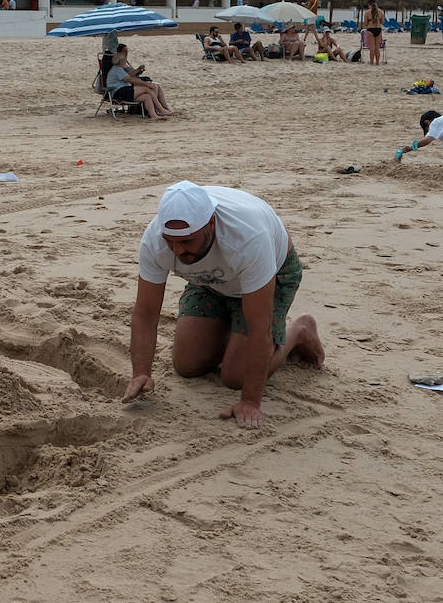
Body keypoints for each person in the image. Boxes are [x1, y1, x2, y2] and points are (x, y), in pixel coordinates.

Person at [122, 181, 324, 429]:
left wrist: (250, 401)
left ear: (211, 224)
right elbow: (145, 313)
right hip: (211, 280)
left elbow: (259, 326)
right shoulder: (155, 241)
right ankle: (231, 333)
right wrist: (141, 373)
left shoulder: (248, 238)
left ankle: (298, 331)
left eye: (186, 241)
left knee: (235, 376)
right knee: (187, 365)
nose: (177, 250)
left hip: (272, 274)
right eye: (170, 241)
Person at [103, 44, 171, 119]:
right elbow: (130, 79)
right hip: (119, 92)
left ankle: (153, 115)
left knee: (147, 97)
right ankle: (161, 110)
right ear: (120, 61)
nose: (125, 60)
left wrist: (138, 70)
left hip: (124, 91)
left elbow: (129, 76)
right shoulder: (117, 69)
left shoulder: (119, 69)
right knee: (147, 89)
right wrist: (147, 84)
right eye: (123, 60)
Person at [363, 0, 385, 66]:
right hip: (378, 29)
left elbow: (365, 23)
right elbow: (382, 22)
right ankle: (377, 63)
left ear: (369, 5)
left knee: (372, 48)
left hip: (370, 30)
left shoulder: (367, 12)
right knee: (377, 48)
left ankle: (372, 62)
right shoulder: (381, 11)